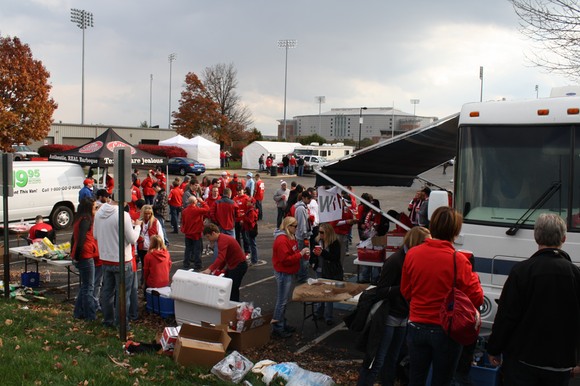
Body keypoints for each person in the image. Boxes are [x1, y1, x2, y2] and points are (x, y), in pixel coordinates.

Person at [487, 213, 580, 386]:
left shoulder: (521, 272)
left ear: (536, 236)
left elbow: (507, 316)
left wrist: (494, 348)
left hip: (523, 360)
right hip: (560, 364)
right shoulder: (575, 275)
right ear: (564, 238)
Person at [401, 206, 483, 386]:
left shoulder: (413, 254)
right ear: (455, 230)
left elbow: (406, 291)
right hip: (446, 329)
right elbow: (477, 298)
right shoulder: (458, 260)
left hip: (416, 325)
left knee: (415, 378)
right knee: (443, 380)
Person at [358, 226, 431, 386]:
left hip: (403, 316)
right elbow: (381, 290)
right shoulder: (395, 261)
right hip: (389, 316)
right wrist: (406, 286)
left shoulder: (413, 259)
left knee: (392, 359)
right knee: (377, 360)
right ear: (417, 242)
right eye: (426, 243)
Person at [93, 198, 142, 328]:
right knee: (123, 295)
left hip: (105, 257)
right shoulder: (123, 215)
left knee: (107, 292)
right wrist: (137, 226)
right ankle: (121, 324)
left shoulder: (98, 213)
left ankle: (108, 320)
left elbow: (95, 235)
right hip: (122, 260)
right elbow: (132, 239)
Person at [271, 216, 310, 338]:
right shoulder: (282, 240)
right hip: (284, 273)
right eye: (295, 226)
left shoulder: (290, 237)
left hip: (288, 272)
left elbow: (292, 254)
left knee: (284, 301)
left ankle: (282, 323)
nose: (297, 229)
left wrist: (301, 254)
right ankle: (278, 327)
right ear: (288, 227)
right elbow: (285, 260)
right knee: (282, 301)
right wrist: (300, 254)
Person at [202, 224, 248, 302]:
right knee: (227, 286)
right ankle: (229, 305)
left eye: (208, 236)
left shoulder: (222, 240)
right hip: (233, 265)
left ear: (213, 233)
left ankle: (233, 307)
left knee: (233, 289)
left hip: (239, 265)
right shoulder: (222, 238)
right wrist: (218, 269)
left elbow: (221, 257)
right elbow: (224, 258)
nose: (208, 239)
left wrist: (210, 269)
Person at [71, 197, 99, 321]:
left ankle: (78, 312)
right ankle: (90, 315)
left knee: (85, 286)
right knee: (89, 287)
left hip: (81, 254)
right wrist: (77, 256)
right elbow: (81, 238)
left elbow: (74, 238)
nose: (95, 210)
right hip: (85, 255)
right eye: (94, 208)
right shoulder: (86, 219)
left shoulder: (79, 218)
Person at [312, 223, 343, 325]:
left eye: (322, 232)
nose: (320, 234)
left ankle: (328, 316)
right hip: (319, 270)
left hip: (329, 271)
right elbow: (313, 256)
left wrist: (322, 253)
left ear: (328, 233)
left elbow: (335, 258)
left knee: (328, 294)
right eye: (319, 232)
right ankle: (318, 313)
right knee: (320, 293)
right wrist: (312, 261)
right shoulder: (317, 240)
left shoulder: (334, 243)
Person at [181, 196, 210, 270]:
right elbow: (207, 209)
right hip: (196, 233)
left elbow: (183, 221)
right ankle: (197, 264)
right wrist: (202, 201)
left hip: (188, 232)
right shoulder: (197, 210)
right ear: (195, 202)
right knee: (197, 249)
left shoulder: (185, 211)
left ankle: (186, 263)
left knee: (188, 249)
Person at [137, 205, 164, 276]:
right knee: (144, 266)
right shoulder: (139, 222)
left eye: (149, 213)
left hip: (152, 249)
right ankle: (143, 281)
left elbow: (160, 236)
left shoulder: (156, 222)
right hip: (141, 248)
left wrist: (161, 247)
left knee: (152, 267)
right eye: (146, 213)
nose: (148, 215)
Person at [294, 189, 313, 283]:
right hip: (302, 237)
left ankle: (300, 275)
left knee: (302, 258)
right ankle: (302, 277)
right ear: (303, 198)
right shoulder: (301, 208)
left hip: (302, 236)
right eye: (308, 198)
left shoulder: (303, 207)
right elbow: (302, 224)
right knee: (304, 258)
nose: (309, 200)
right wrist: (305, 236)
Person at [242, 198, 259, 265]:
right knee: (252, 244)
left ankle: (254, 260)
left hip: (251, 229)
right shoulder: (251, 210)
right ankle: (253, 259)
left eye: (248, 202)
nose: (247, 203)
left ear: (252, 203)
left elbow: (250, 220)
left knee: (252, 244)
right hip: (250, 229)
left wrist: (244, 217)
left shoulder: (251, 211)